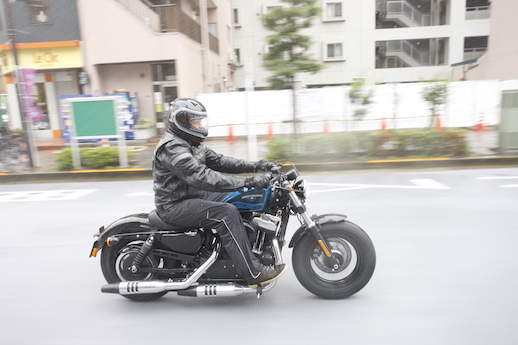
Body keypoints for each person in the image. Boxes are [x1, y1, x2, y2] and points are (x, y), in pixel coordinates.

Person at [152, 98, 287, 287]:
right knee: (226, 213)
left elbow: (222, 162)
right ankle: (253, 273)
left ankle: (241, 249)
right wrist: (247, 181)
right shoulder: (173, 147)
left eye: (200, 122)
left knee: (240, 198)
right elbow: (201, 176)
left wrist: (257, 165)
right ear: (182, 121)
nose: (199, 126)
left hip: (194, 196)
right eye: (195, 122)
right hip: (175, 205)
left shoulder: (191, 143)